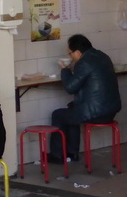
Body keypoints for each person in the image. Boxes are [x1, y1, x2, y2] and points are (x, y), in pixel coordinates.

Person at [49, 33, 121, 162]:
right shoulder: (103, 56)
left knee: (58, 115)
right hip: (111, 110)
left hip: (97, 113)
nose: (70, 56)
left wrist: (64, 70)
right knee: (71, 110)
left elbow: (70, 88)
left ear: (77, 52)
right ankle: (72, 153)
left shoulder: (83, 63)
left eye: (70, 54)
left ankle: (57, 155)